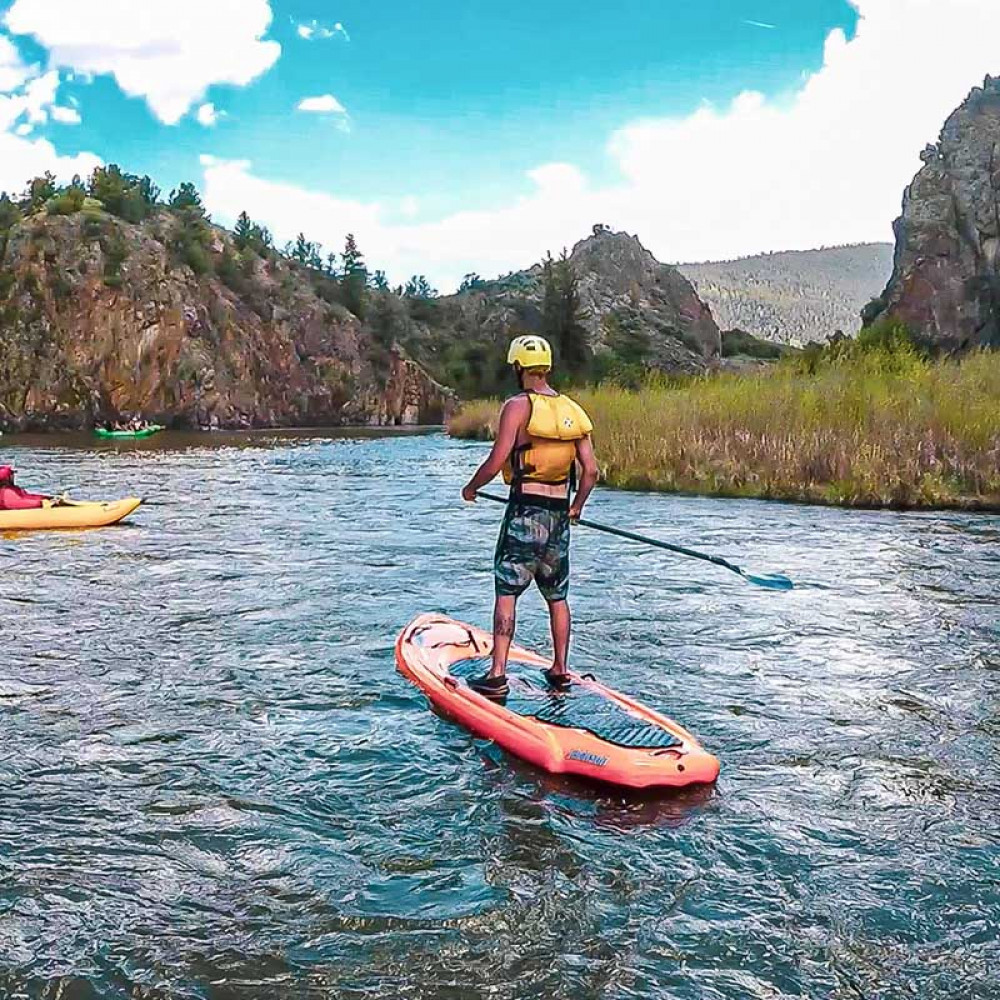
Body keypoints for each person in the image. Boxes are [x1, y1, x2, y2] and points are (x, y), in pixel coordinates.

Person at [461, 335, 599, 699]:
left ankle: (497, 673)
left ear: (518, 367)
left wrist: (471, 488)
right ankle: (560, 669)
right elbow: (591, 472)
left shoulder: (517, 406)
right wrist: (576, 507)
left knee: (507, 590)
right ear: (548, 367)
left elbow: (496, 461)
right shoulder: (573, 410)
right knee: (558, 595)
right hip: (558, 516)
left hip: (525, 511)